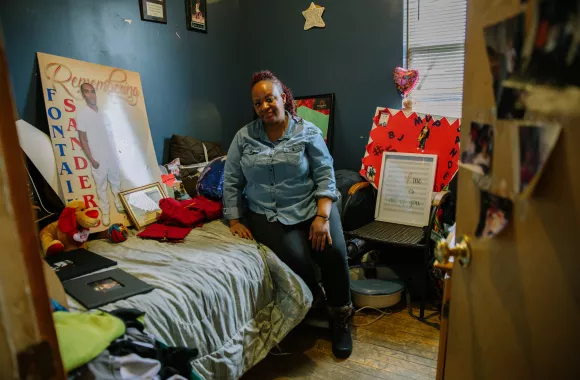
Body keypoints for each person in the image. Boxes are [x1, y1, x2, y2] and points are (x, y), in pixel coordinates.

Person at [223, 71, 354, 359]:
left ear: (283, 98)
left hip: (311, 206)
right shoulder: (243, 138)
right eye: (258, 103)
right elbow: (231, 179)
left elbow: (325, 175)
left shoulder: (307, 131)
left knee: (332, 251)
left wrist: (321, 217)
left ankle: (341, 315)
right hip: (268, 214)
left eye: (270, 99)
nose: (265, 107)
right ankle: (316, 300)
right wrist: (234, 219)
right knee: (296, 257)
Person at [77, 83, 123, 226]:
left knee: (115, 180)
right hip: (98, 157)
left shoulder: (104, 114)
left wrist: (116, 155)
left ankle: (119, 202)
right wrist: (92, 159)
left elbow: (112, 136)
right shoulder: (82, 115)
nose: (91, 95)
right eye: (87, 92)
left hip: (111, 155)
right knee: (101, 186)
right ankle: (105, 212)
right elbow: (82, 139)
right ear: (83, 95)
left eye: (93, 91)